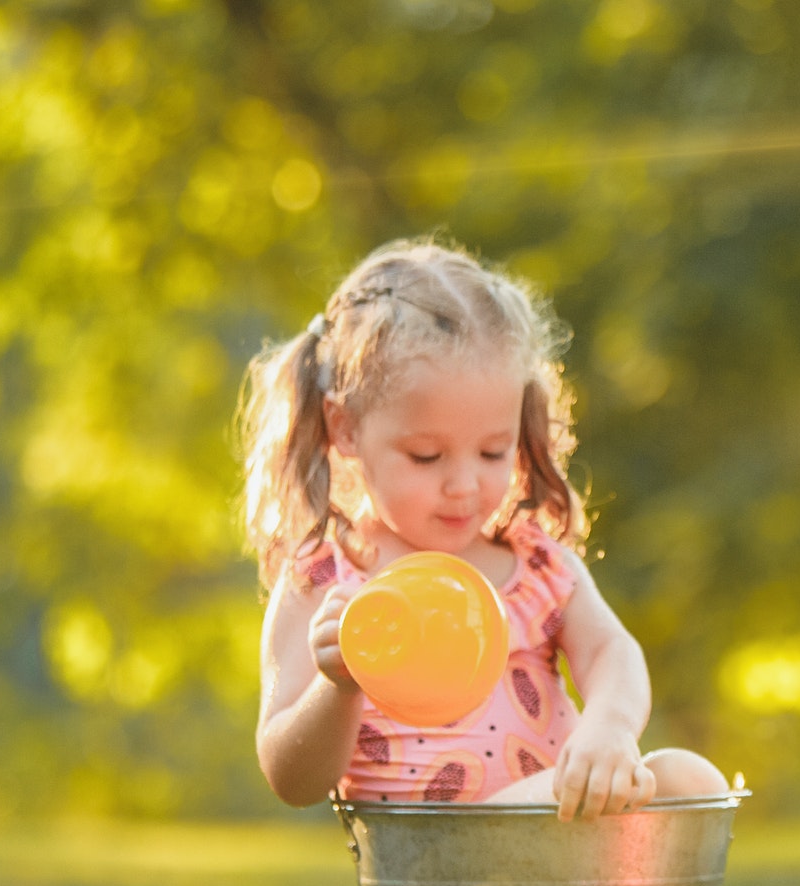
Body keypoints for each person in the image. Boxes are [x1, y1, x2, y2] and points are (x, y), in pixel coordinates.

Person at [241, 239, 725, 818]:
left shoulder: (536, 566)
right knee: (554, 802)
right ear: (344, 429)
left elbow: (611, 652)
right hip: (438, 874)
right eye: (426, 456)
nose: (465, 485)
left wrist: (610, 729)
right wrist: (339, 684)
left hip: (558, 835)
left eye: (494, 451)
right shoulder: (330, 580)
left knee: (688, 777)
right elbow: (291, 779)